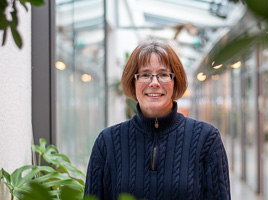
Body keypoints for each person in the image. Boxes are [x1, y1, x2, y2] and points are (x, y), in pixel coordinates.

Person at [84, 39, 231, 200]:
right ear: (133, 82)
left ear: (175, 81)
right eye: (145, 75)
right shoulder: (107, 142)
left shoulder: (206, 139)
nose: (154, 83)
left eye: (163, 74)